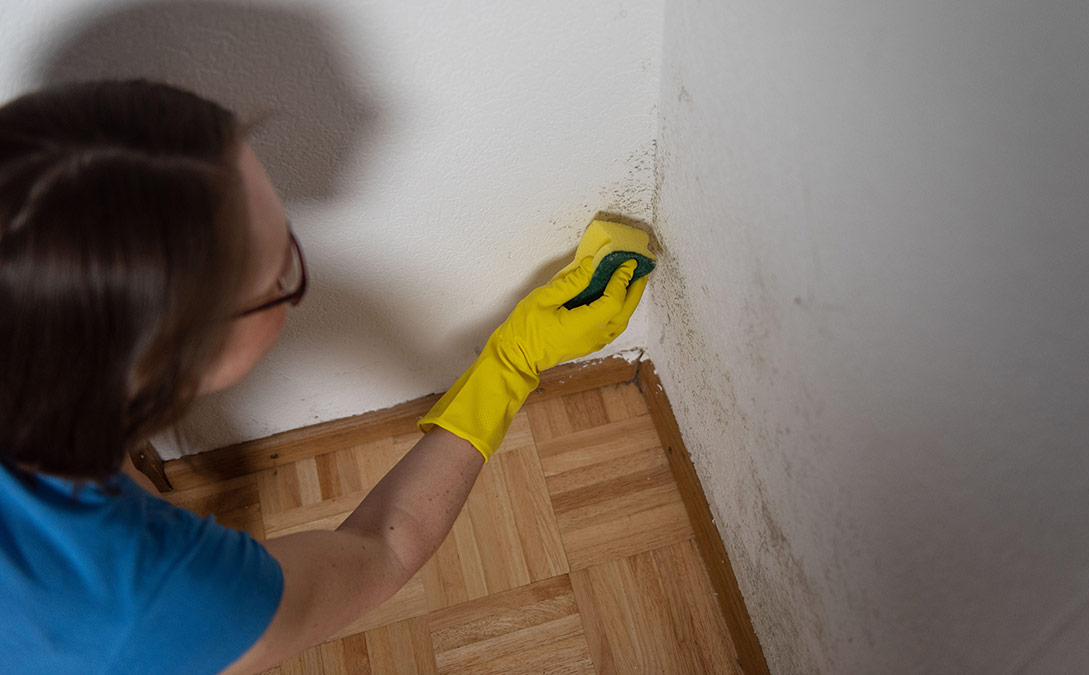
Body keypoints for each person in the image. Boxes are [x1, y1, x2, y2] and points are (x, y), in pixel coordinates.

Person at [0, 79, 647, 674]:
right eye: (286, 271)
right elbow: (383, 548)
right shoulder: (161, 593)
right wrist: (511, 362)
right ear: (166, 363)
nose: (305, 283)